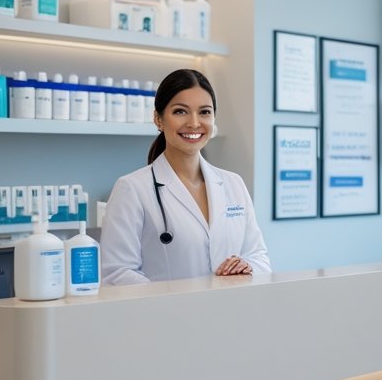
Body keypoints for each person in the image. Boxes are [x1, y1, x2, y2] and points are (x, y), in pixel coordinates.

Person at [100, 68, 270, 284]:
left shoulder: (233, 183)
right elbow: (117, 272)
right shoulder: (132, 188)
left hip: (229, 312)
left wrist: (248, 267)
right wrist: (175, 303)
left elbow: (259, 256)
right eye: (180, 111)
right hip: (166, 315)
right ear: (158, 119)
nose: (194, 123)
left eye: (204, 112)